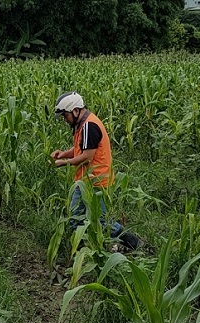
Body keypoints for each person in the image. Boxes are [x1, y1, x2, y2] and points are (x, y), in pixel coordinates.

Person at [50, 91, 140, 250]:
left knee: (100, 221)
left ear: (75, 110)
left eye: (65, 115)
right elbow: (81, 148)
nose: (65, 120)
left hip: (96, 181)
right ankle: (83, 249)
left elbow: (86, 157)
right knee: (76, 217)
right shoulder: (82, 124)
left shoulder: (89, 126)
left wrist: (64, 162)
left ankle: (132, 242)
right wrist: (63, 153)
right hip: (86, 180)